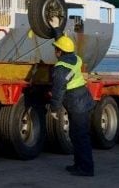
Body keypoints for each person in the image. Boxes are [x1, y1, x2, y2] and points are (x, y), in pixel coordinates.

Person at [50, 35, 95, 177]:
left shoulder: (61, 68)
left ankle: (86, 169)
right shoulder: (76, 59)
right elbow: (66, 47)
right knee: (76, 135)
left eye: (56, 49)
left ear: (60, 52)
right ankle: (78, 164)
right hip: (83, 99)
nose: (54, 51)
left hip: (77, 103)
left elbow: (58, 90)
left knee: (80, 136)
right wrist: (57, 31)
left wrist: (54, 109)